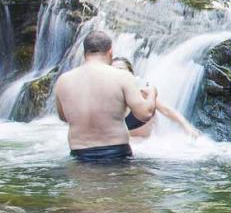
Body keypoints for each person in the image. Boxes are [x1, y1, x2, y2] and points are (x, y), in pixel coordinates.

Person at [54, 30, 157, 162]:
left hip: (80, 154)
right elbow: (145, 113)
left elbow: (63, 117)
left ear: (84, 53)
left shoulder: (63, 80)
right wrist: (152, 92)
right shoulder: (122, 76)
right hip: (116, 153)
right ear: (110, 52)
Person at [111, 57, 201, 139]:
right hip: (130, 145)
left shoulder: (143, 91)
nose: (116, 74)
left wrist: (187, 127)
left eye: (120, 70)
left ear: (130, 74)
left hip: (150, 145)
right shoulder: (106, 96)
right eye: (111, 71)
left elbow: (166, 110)